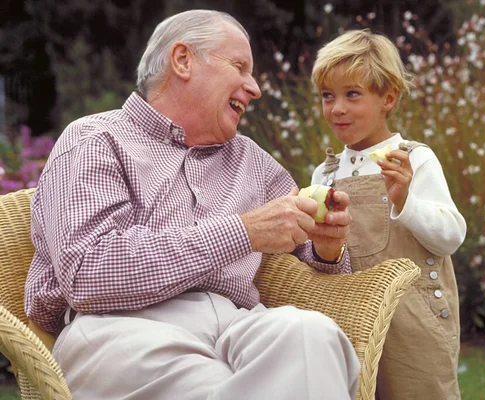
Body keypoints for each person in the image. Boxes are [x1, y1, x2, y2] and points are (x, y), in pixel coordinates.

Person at [24, 10, 360, 400]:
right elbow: (89, 273)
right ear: (182, 60)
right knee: (219, 386)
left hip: (237, 323)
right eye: (239, 66)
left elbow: (323, 270)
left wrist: (328, 247)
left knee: (311, 334)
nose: (254, 88)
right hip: (118, 325)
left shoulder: (254, 162)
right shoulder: (96, 139)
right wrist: (243, 231)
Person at [310, 29, 467, 400]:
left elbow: (451, 236)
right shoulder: (325, 175)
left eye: (352, 94)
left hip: (413, 320)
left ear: (388, 98)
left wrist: (406, 201)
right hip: (350, 319)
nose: (337, 108)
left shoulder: (413, 159)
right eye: (327, 96)